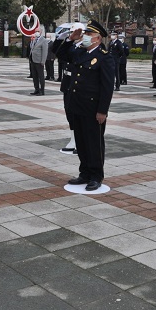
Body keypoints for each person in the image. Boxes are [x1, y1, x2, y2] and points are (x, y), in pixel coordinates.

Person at [55, 19, 115, 191]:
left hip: (92, 109)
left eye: (89, 34)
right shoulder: (81, 52)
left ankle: (96, 176)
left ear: (97, 38)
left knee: (94, 143)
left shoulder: (105, 57)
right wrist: (70, 39)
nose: (85, 36)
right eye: (86, 33)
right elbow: (61, 54)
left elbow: (107, 87)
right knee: (81, 142)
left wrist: (102, 111)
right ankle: (85, 173)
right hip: (77, 106)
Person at [53, 22, 86, 154]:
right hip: (68, 84)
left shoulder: (84, 48)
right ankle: (73, 139)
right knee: (69, 113)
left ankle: (80, 142)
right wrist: (65, 39)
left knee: (78, 115)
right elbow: (57, 52)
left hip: (78, 86)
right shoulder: (72, 46)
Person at [29, 29, 49, 96]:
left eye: (38, 31)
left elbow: (44, 52)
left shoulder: (43, 40)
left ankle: (42, 90)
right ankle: (36, 89)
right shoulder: (35, 39)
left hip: (39, 61)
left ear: (41, 32)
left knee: (41, 76)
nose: (36, 32)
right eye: (35, 31)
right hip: (33, 60)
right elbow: (32, 48)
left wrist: (43, 61)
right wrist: (31, 41)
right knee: (34, 76)